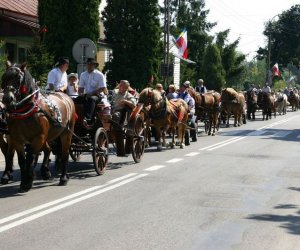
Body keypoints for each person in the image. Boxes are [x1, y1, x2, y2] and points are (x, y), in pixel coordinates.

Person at [111, 80, 137, 156]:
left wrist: (126, 101)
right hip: (110, 109)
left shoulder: (128, 95)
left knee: (115, 115)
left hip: (120, 111)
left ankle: (117, 130)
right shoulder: (114, 92)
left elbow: (134, 105)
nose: (120, 86)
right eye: (120, 85)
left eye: (122, 86)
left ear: (126, 88)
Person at [78, 58, 107, 125]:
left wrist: (91, 94)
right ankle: (75, 118)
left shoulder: (99, 75)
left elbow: (102, 88)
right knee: (75, 100)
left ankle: (88, 118)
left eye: (91, 64)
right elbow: (81, 88)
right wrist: (81, 93)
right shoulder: (83, 74)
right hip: (87, 95)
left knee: (91, 99)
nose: (89, 66)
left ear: (94, 65)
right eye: (88, 64)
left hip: (97, 95)